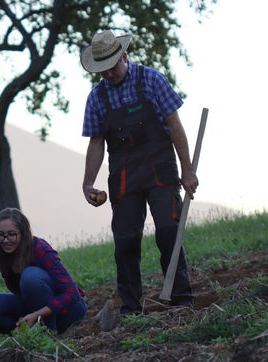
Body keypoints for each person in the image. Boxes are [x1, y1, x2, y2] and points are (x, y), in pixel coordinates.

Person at [79, 30, 199, 315]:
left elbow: (174, 127)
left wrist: (188, 169)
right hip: (124, 175)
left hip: (160, 169)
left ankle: (181, 299)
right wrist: (87, 183)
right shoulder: (96, 97)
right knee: (125, 242)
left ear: (124, 56)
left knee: (169, 231)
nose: (108, 75)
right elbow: (96, 142)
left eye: (111, 67)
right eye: (102, 71)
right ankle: (131, 308)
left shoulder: (152, 80)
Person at [0, 208, 87, 334]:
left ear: (23, 233)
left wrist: (37, 315)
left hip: (66, 313)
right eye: (1, 235)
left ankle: (48, 334)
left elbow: (71, 292)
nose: (5, 240)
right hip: (31, 309)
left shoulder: (40, 249)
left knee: (31, 277)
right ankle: (23, 332)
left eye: (11, 234)